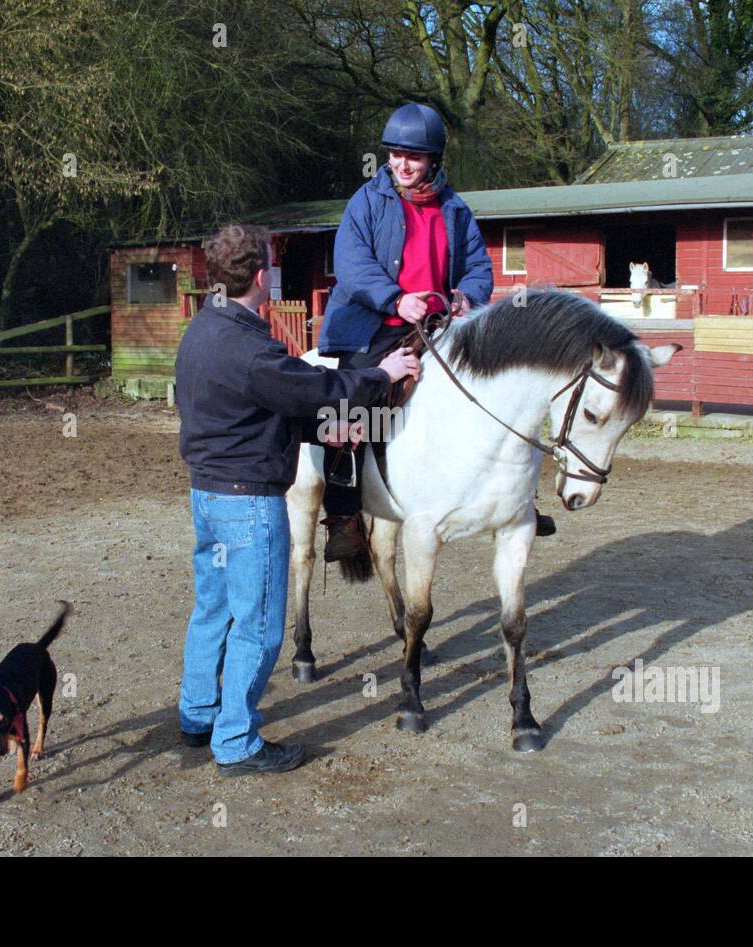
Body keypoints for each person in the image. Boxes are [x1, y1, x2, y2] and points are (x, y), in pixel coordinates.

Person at [175, 224, 420, 775]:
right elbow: (313, 388)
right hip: (249, 503)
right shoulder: (249, 347)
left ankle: (197, 714)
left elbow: (257, 407)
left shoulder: (202, 330)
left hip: (207, 495)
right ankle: (235, 741)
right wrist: (382, 373)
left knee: (212, 609)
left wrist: (320, 431)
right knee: (259, 624)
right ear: (262, 276)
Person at [317, 103, 554, 562]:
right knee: (346, 406)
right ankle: (344, 513)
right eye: (395, 155)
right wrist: (393, 298)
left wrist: (467, 295)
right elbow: (350, 263)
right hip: (375, 327)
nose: (403, 165)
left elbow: (478, 266)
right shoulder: (365, 202)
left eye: (415, 157)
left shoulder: (455, 208)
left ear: (433, 160)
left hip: (440, 325)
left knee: (501, 385)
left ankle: (519, 498)